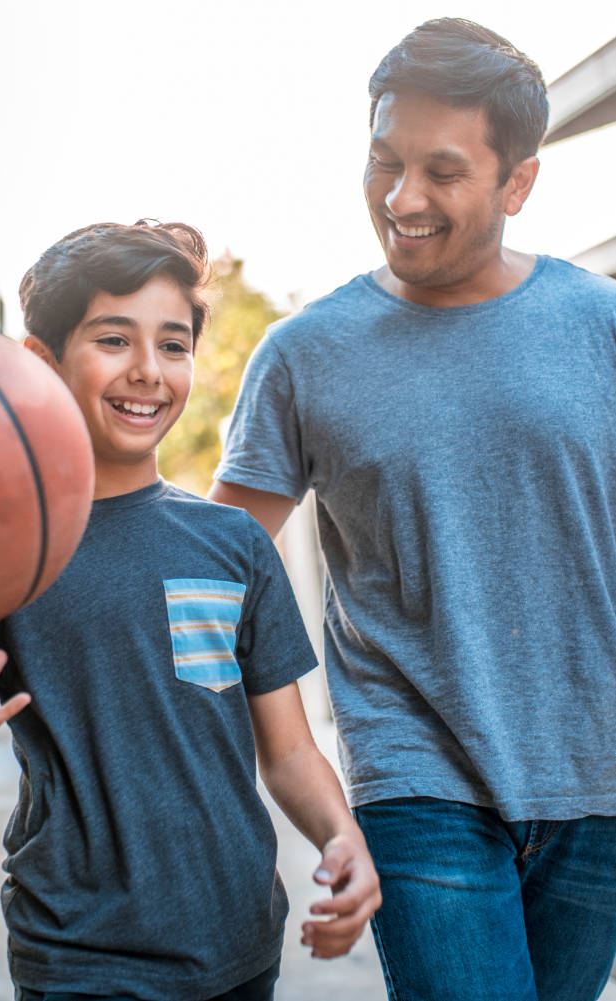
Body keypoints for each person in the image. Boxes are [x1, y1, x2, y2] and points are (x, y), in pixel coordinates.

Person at [0, 219, 380, 1001]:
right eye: (113, 340)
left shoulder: (231, 542)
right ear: (40, 363)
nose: (149, 371)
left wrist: (340, 835)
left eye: (174, 344)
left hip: (240, 944)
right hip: (81, 955)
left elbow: (287, 751)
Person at [209, 18, 616, 1001]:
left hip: (595, 772)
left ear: (516, 183)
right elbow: (216, 565)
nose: (400, 199)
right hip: (413, 774)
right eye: (382, 163)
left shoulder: (596, 323)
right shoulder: (304, 355)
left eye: (440, 171)